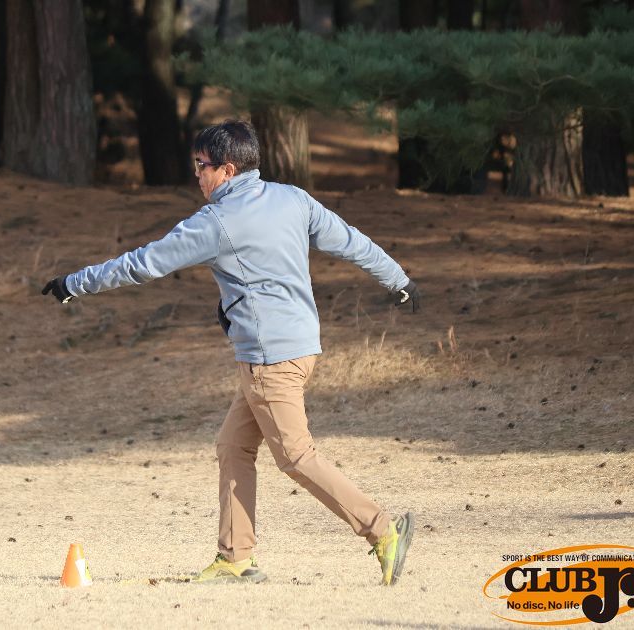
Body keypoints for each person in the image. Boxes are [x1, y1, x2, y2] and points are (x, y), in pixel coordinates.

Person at [42, 120, 419, 586]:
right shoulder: (293, 199)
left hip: (268, 359)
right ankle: (235, 557)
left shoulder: (215, 222)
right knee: (233, 446)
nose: (196, 174)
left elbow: (143, 264)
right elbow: (351, 241)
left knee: (296, 456)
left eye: (201, 165)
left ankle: (382, 531)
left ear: (228, 169)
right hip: (301, 348)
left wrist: (74, 283)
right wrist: (398, 279)